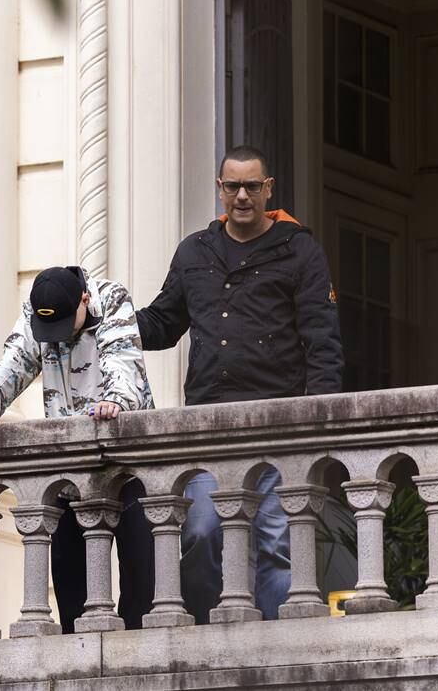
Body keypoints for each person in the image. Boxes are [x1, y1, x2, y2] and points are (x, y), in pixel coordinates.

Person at [135, 144, 344, 623]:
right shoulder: (194, 252)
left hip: (281, 424)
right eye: (233, 186)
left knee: (280, 547)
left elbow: (323, 339)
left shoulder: (300, 250)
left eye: (253, 186)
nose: (243, 196)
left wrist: (322, 423)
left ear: (269, 189)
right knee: (202, 534)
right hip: (209, 425)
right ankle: (214, 640)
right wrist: (101, 319)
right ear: (220, 190)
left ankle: (275, 649)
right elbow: (163, 324)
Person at [0, 265, 155, 632]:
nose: (56, 337)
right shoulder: (36, 310)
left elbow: (122, 359)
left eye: (64, 324)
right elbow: (13, 364)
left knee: (143, 570)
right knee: (70, 580)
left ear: (84, 300)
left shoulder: (111, 298)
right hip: (68, 469)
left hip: (128, 462)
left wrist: (117, 400)